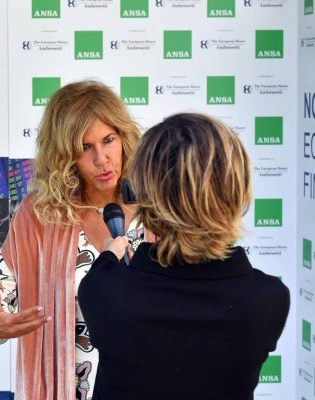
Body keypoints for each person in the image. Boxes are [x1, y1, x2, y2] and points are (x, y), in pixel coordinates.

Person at [78, 113, 290, 400]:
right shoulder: (269, 300)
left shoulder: (102, 290)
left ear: (147, 200)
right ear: (235, 191)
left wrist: (108, 256)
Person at [0, 81, 142, 400]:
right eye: (85, 147)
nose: (102, 159)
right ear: (66, 155)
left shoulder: (159, 209)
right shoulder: (39, 216)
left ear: (123, 137)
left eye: (108, 140)